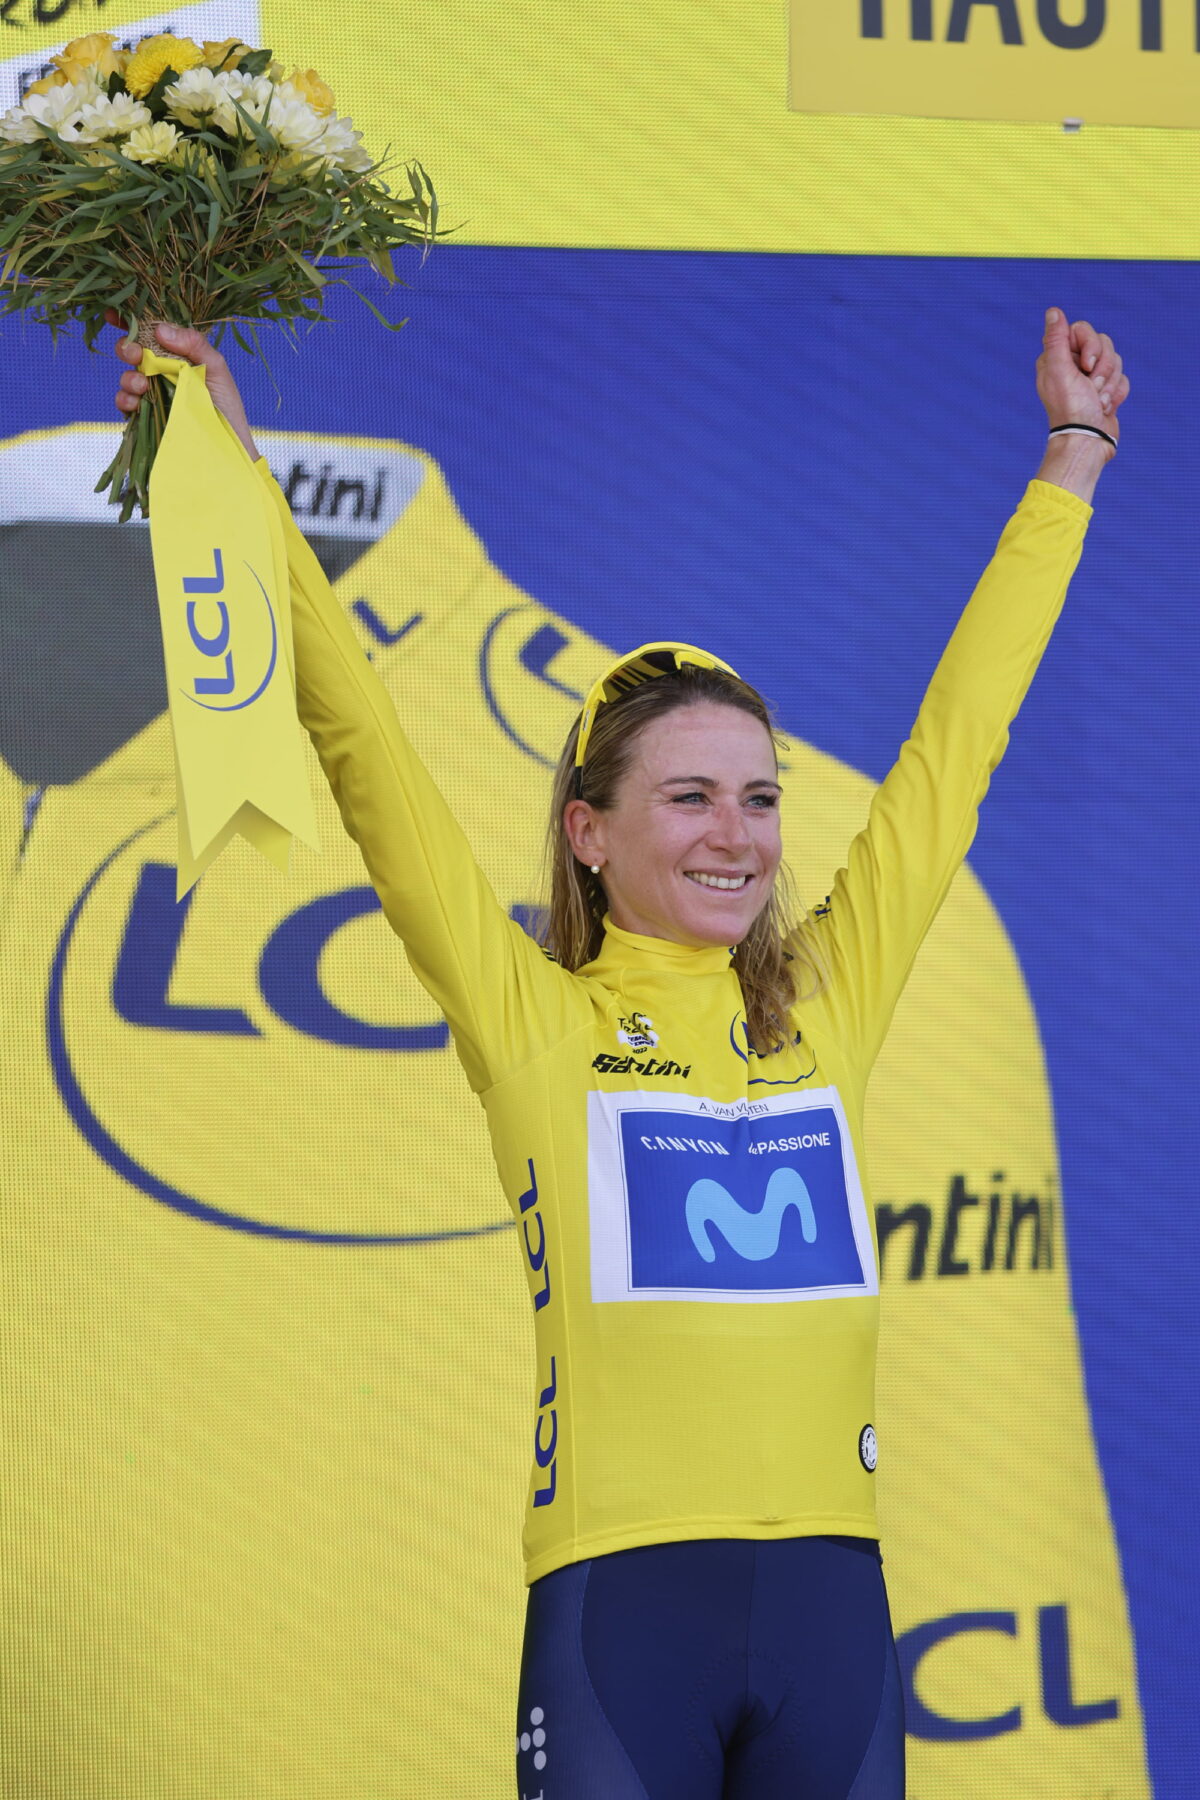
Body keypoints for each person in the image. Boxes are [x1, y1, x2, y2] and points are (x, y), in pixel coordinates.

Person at [111, 306, 1127, 1799]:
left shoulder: (826, 1001)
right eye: (692, 798)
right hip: (619, 1610)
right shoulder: (535, 1017)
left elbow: (958, 741)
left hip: (837, 1617)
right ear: (588, 833)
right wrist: (241, 476)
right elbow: (365, 750)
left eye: (762, 799)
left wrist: (1073, 459)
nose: (740, 836)